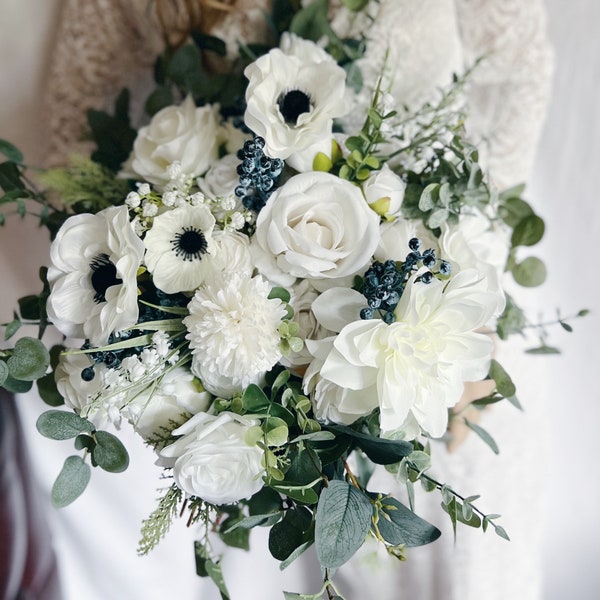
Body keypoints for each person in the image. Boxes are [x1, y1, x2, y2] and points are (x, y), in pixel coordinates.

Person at [6, 0, 554, 598]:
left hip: (437, 318)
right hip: (248, 368)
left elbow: (518, 65)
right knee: (274, 569)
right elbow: (76, 126)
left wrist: (474, 258)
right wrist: (168, 287)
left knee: (458, 561)